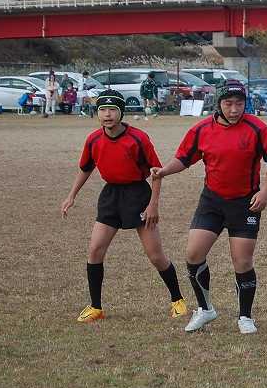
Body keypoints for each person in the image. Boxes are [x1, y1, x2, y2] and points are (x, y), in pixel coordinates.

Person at [150, 80, 267, 335]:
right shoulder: (201, 130)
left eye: (239, 104)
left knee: (242, 261)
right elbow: (184, 159)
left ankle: (245, 317)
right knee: (193, 254)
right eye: (228, 104)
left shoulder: (257, 128)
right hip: (212, 202)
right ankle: (205, 309)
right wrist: (165, 171)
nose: (234, 109)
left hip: (245, 204)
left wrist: (265, 192)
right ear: (218, 104)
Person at [60, 89, 186, 323]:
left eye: (112, 110)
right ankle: (96, 307)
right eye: (102, 110)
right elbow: (86, 168)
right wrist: (71, 196)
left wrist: (153, 205)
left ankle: (177, 300)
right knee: (95, 251)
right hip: (111, 196)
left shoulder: (138, 138)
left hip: (138, 195)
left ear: (121, 112)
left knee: (155, 255)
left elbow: (156, 173)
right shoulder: (93, 139)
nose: (107, 115)